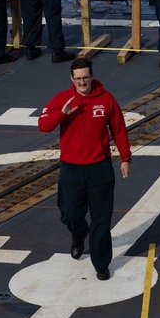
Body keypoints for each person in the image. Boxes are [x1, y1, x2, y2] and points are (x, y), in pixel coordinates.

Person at [39, 58, 131, 280]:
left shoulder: (106, 99)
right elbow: (43, 125)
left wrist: (125, 158)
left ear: (92, 76)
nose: (82, 82)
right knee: (69, 213)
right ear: (72, 78)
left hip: (100, 168)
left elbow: (119, 129)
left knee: (101, 218)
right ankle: (79, 234)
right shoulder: (62, 99)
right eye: (78, 78)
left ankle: (101, 263)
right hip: (71, 169)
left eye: (85, 77)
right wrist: (62, 113)